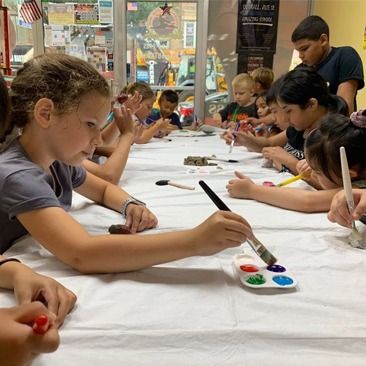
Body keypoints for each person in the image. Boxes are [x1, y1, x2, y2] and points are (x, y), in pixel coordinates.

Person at [0, 53, 252, 274]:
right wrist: (195, 241)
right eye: (90, 125)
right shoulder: (18, 175)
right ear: (45, 114)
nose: (98, 139)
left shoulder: (57, 161)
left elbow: (103, 189)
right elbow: (83, 253)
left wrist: (129, 204)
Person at [226, 110, 366, 213]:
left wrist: (252, 190)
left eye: (317, 172)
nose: (312, 173)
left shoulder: (358, 189)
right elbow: (328, 184)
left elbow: (307, 201)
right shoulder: (349, 173)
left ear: (349, 173)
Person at [223, 68, 348, 175]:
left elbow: (329, 185)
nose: (286, 118)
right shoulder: (300, 126)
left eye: (288, 111)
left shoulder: (334, 137)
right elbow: (269, 144)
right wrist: (245, 139)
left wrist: (289, 162)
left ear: (311, 104)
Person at [291, 15, 364, 114]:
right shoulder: (300, 70)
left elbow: (343, 109)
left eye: (304, 49)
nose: (300, 56)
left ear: (323, 40)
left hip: (334, 127)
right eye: (298, 51)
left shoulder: (344, 56)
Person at [82, 92, 142, 184]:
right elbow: (108, 177)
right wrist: (127, 135)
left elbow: (103, 139)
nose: (98, 141)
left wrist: (123, 115)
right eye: (90, 125)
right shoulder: (65, 158)